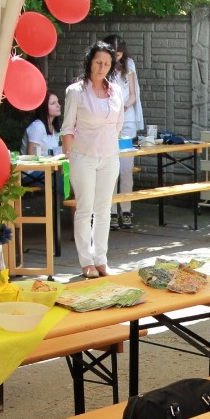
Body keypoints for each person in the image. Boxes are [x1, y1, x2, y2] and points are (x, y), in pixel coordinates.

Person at [61, 40, 124, 278]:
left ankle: (101, 260)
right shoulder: (76, 91)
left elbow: (118, 125)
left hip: (109, 157)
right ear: (90, 62)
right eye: (98, 62)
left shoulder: (116, 91)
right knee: (85, 209)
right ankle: (86, 261)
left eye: (107, 64)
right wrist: (69, 158)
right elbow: (67, 128)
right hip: (83, 157)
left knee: (104, 209)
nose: (102, 68)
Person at [104, 34, 142, 230]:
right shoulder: (102, 65)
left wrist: (124, 107)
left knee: (126, 169)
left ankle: (126, 210)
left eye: (119, 54)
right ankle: (111, 212)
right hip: (108, 120)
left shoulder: (129, 65)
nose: (116, 57)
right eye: (114, 53)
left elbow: (133, 94)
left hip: (126, 119)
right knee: (111, 169)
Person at [23, 91, 63, 156]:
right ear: (44, 107)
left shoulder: (54, 128)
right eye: (53, 103)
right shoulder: (37, 126)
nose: (58, 105)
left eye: (58, 102)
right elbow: (32, 157)